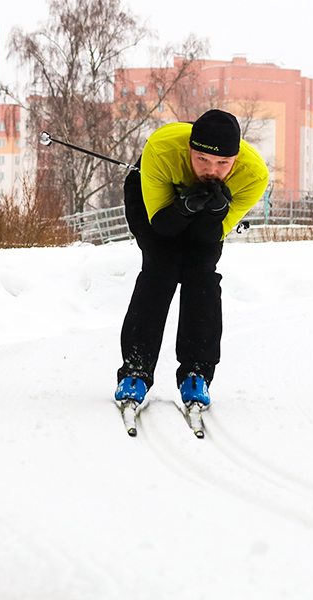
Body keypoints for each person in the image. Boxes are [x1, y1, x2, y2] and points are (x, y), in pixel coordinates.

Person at [114, 109, 269, 410]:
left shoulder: (253, 175)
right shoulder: (162, 148)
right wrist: (183, 207)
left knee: (202, 273)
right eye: (202, 160)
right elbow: (162, 227)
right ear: (189, 150)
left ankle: (196, 373)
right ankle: (136, 369)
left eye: (223, 164)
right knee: (161, 268)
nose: (212, 171)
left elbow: (207, 239)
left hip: (208, 216)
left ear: (235, 160)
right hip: (153, 195)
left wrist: (213, 211)